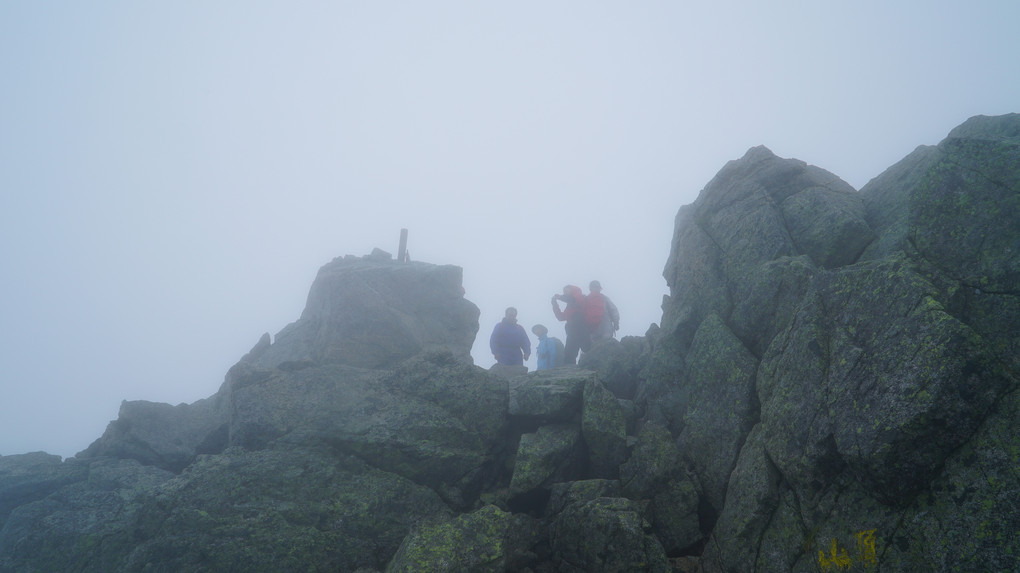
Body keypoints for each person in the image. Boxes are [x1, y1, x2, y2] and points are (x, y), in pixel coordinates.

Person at [551, 285, 591, 365]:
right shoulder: (570, 305)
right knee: (570, 354)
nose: (565, 293)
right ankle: (569, 372)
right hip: (572, 330)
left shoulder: (580, 298)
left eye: (567, 290)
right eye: (564, 291)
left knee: (586, 350)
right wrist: (555, 304)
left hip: (581, 328)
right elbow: (561, 317)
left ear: (572, 290)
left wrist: (560, 297)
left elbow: (575, 300)